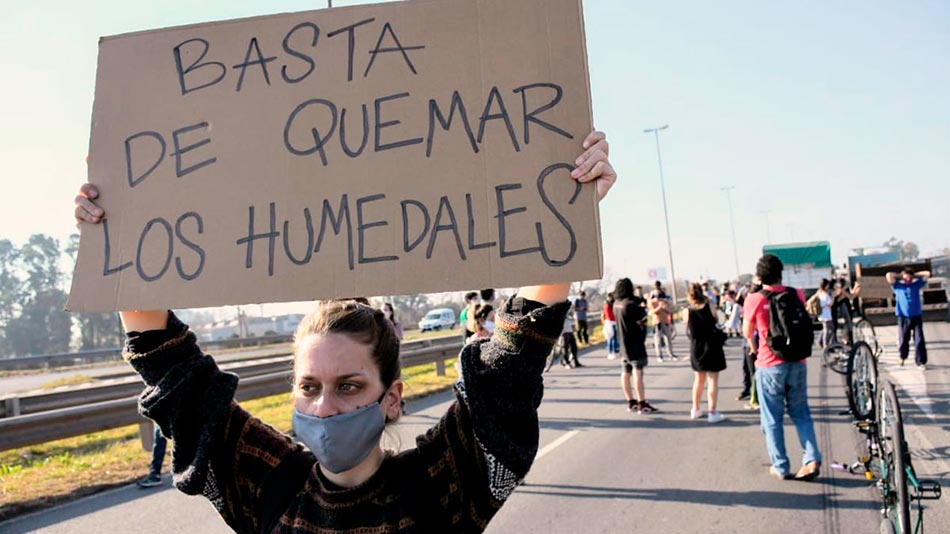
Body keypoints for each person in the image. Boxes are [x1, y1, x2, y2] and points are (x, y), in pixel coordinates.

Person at [73, 130, 616, 532]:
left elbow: (512, 364)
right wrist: (119, 225)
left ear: (392, 398)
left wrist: (568, 198)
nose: (324, 408)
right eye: (309, 387)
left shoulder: (443, 486)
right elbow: (170, 368)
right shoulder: (266, 483)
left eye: (349, 386)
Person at [743, 254, 822, 481]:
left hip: (770, 364)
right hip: (798, 361)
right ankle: (812, 457)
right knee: (801, 413)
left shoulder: (755, 299)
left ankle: (780, 465)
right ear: (781, 272)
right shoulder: (795, 293)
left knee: (772, 418)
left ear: (759, 276)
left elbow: (747, 333)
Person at [614, 278, 658, 414]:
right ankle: (642, 403)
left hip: (622, 343)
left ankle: (631, 401)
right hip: (635, 342)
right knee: (637, 372)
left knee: (625, 372)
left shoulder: (616, 304)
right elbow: (643, 320)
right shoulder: (631, 305)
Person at [686, 283, 727, 423]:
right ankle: (712, 412)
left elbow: (688, 325)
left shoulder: (687, 311)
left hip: (696, 347)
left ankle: (695, 409)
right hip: (712, 345)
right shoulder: (709, 305)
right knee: (712, 379)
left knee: (698, 379)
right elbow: (715, 319)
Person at [886, 267, 931, 369]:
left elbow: (927, 273)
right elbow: (888, 275)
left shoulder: (916, 285)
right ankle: (902, 357)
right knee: (903, 340)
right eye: (906, 278)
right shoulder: (898, 286)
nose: (908, 279)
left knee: (919, 340)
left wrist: (914, 275)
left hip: (916, 316)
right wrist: (900, 275)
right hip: (903, 317)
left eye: (910, 278)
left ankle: (921, 362)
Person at [648, 283, 676, 362]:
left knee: (668, 339)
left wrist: (665, 307)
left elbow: (671, 310)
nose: (657, 295)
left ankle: (671, 354)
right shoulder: (651, 302)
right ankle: (659, 356)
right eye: (656, 293)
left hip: (665, 321)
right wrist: (659, 307)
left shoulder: (665, 300)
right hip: (657, 322)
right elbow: (651, 312)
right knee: (658, 340)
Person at [809, 279, 836, 348]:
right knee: (828, 329)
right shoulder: (825, 294)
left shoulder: (819, 293)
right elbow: (830, 303)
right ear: (826, 286)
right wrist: (833, 296)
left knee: (829, 328)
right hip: (826, 314)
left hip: (822, 314)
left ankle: (823, 341)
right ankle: (824, 343)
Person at [602, 292, 619, 360]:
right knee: (610, 338)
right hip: (610, 322)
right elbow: (608, 315)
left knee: (614, 338)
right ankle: (610, 352)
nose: (610, 298)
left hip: (614, 322)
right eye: (609, 297)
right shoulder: (606, 305)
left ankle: (615, 351)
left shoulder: (614, 304)